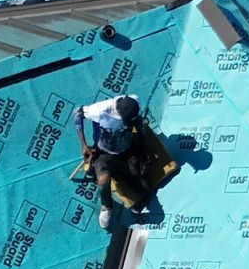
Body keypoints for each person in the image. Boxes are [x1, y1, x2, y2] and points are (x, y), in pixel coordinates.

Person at [76, 93, 179, 231]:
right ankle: (107, 206)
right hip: (104, 152)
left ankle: (140, 192)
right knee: (103, 180)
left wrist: (146, 146)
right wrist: (83, 144)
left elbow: (139, 124)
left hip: (128, 147)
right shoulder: (98, 110)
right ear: (119, 114)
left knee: (143, 182)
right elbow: (77, 113)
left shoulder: (133, 100)